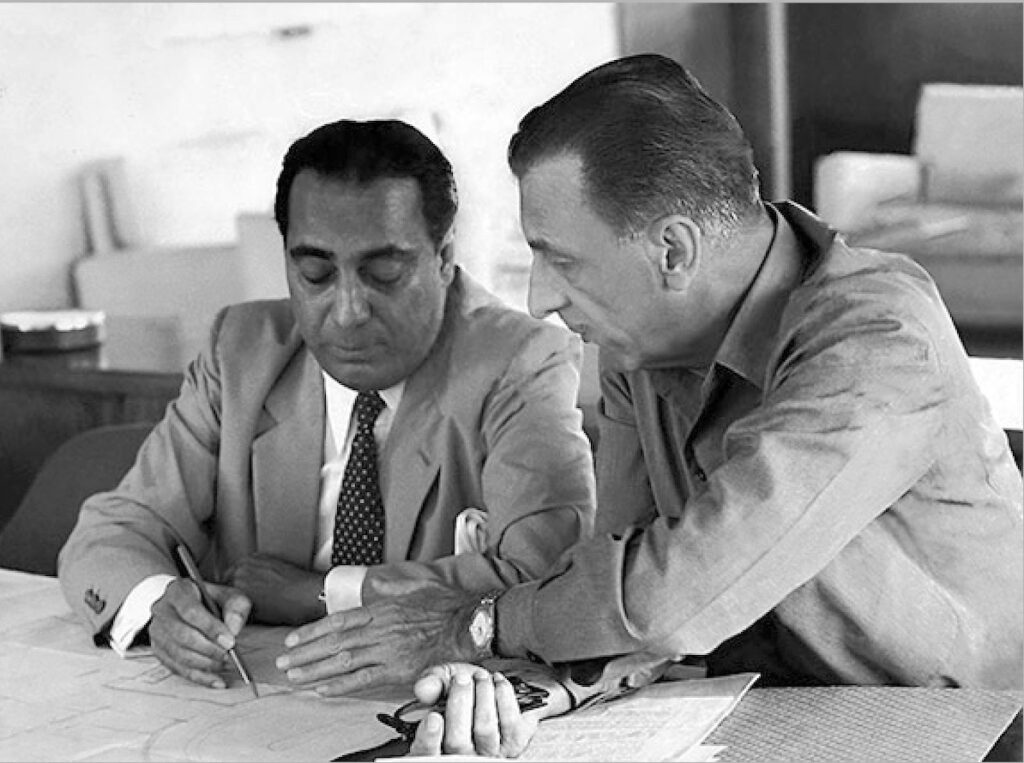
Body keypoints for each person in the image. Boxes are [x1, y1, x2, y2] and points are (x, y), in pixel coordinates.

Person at [286, 54, 1023, 754]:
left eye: (561, 259)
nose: (540, 299)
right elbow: (618, 580)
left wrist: (474, 626)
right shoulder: (640, 343)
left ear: (673, 250)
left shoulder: (879, 337)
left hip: (979, 727)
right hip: (780, 714)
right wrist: (527, 689)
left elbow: (678, 591)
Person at [57, 118, 596, 694]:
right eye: (315, 274)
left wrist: (323, 592)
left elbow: (545, 576)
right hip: (252, 698)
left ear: (444, 258)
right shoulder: (240, 352)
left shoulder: (520, 361)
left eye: (384, 273)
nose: (348, 311)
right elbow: (116, 529)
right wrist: (160, 603)